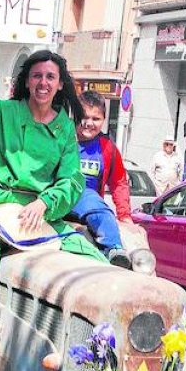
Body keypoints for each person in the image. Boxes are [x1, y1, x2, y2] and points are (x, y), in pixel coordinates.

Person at [0, 39, 105, 359]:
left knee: (99, 264)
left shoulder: (66, 127)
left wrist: (44, 203)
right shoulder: (0, 112)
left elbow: (72, 180)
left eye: (50, 77)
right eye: (37, 75)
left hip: (44, 215)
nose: (43, 82)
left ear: (59, 84)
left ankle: (100, 346)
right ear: (27, 81)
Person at [71, 90, 132, 266]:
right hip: (58, 198)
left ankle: (115, 251)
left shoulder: (107, 148)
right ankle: (113, 246)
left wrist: (125, 215)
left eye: (96, 119)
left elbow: (119, 183)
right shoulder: (61, 140)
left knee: (98, 207)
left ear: (103, 120)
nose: (89, 123)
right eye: (84, 117)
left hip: (90, 206)